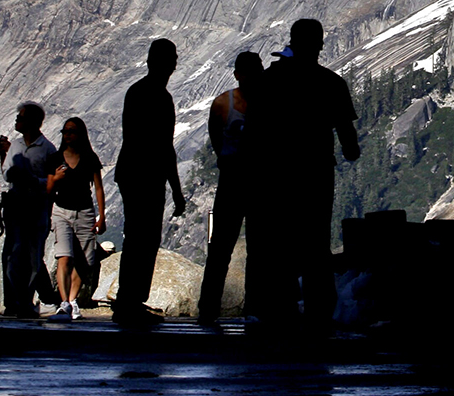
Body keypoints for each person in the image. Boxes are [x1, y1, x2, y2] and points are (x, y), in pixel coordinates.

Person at [257, 19, 359, 328]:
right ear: (319, 45)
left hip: (278, 172)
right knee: (316, 241)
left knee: (278, 239)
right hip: (316, 172)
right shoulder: (330, 82)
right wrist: (349, 149)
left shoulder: (271, 80)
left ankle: (277, 307)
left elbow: (255, 128)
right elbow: (347, 136)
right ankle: (319, 310)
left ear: (292, 41)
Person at [112, 38, 186, 327]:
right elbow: (164, 146)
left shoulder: (137, 92)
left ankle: (129, 299)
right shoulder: (157, 97)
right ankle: (130, 301)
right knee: (144, 238)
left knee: (137, 238)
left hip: (133, 173)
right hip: (146, 175)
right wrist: (176, 190)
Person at [197, 51, 263, 326]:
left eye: (254, 71)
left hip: (257, 181)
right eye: (246, 72)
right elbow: (216, 139)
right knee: (222, 247)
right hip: (234, 181)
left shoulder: (267, 102)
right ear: (237, 74)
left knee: (258, 249)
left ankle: (254, 306)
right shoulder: (223, 103)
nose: (250, 77)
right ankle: (209, 308)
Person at [0, 101, 57, 317]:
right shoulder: (15, 146)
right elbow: (6, 173)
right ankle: (12, 300)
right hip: (15, 204)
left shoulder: (48, 149)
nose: (17, 121)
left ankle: (26, 299)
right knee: (13, 252)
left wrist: (33, 180)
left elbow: (53, 182)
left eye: (21, 118)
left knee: (33, 255)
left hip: (36, 205)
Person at [45, 117, 105, 322]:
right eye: (65, 131)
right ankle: (63, 302)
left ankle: (72, 301)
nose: (68, 135)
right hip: (61, 211)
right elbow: (48, 190)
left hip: (85, 213)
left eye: (72, 131)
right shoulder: (55, 159)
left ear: (81, 134)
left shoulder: (90, 158)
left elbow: (98, 187)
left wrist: (101, 215)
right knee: (64, 256)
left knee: (85, 261)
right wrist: (54, 179)